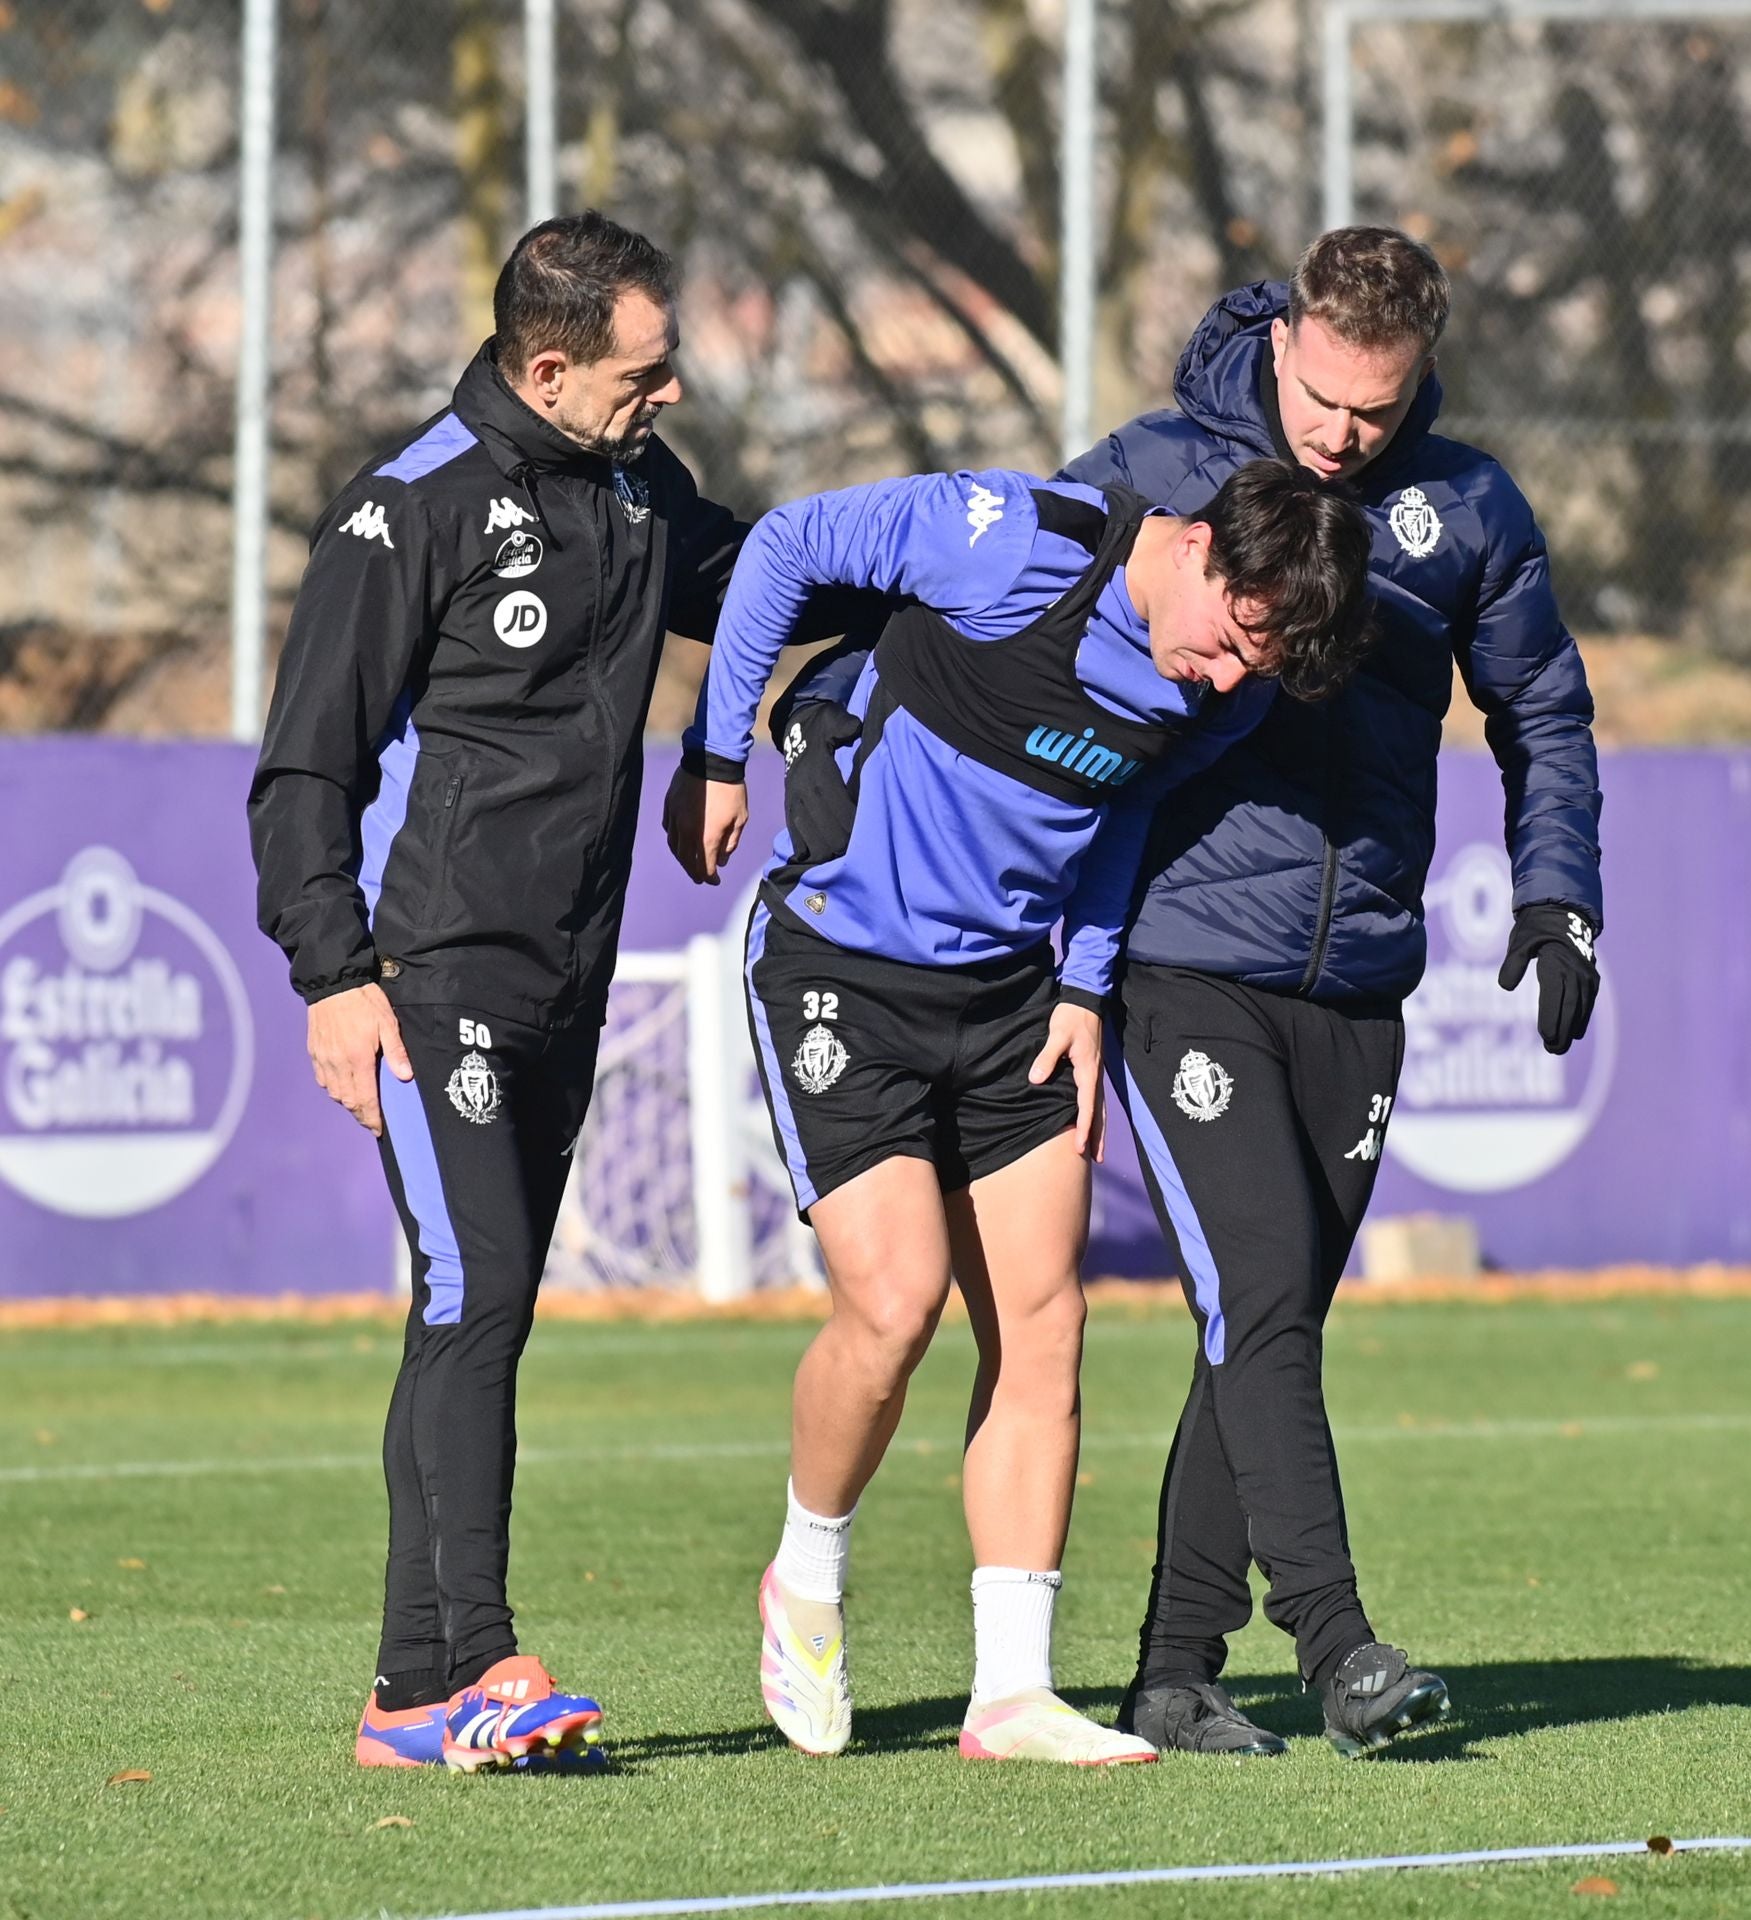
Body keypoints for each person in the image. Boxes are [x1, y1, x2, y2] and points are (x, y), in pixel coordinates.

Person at [664, 457, 1375, 1764]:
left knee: (1047, 1324)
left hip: (1010, 1000)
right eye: (1229, 642)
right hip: (839, 965)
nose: (1225, 681)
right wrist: (718, 757)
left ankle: (1011, 1695)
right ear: (1203, 549)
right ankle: (805, 1580)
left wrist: (1087, 984)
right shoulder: (1006, 543)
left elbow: (1128, 808)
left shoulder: (1223, 692)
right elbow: (778, 546)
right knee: (894, 1303)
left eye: (1253, 670)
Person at [1054, 227, 1606, 1758]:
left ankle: (1171, 1672)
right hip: (1180, 960)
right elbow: (1006, 595)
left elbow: (1542, 710)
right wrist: (833, 710)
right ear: (1285, 338)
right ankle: (1338, 1647)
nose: (1342, 437)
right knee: (1265, 1298)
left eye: (1377, 409)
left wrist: (1562, 896)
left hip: (1360, 977)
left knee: (1267, 1314)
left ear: (1418, 373)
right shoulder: (1164, 465)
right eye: (1323, 401)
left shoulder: (1469, 507)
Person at [249, 211, 755, 1774]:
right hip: (428, 969)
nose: (670, 392)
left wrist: (941, 592)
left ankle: (406, 1702)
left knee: (480, 1311)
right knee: (477, 1297)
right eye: (645, 369)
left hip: (569, 973)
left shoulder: (630, 483)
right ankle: (483, 1664)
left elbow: (756, 577)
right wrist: (338, 977)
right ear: (551, 366)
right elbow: (303, 776)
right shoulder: (405, 513)